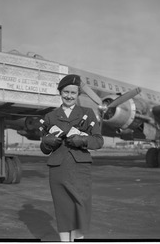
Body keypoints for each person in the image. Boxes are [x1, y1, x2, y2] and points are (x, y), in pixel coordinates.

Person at [40, 74, 104, 241]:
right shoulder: (50, 116)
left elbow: (98, 141)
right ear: (60, 92)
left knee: (80, 207)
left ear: (78, 95)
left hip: (80, 168)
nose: (69, 96)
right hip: (58, 169)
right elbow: (44, 149)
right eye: (65, 92)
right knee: (63, 208)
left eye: (73, 93)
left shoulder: (87, 113)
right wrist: (48, 142)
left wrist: (82, 140)